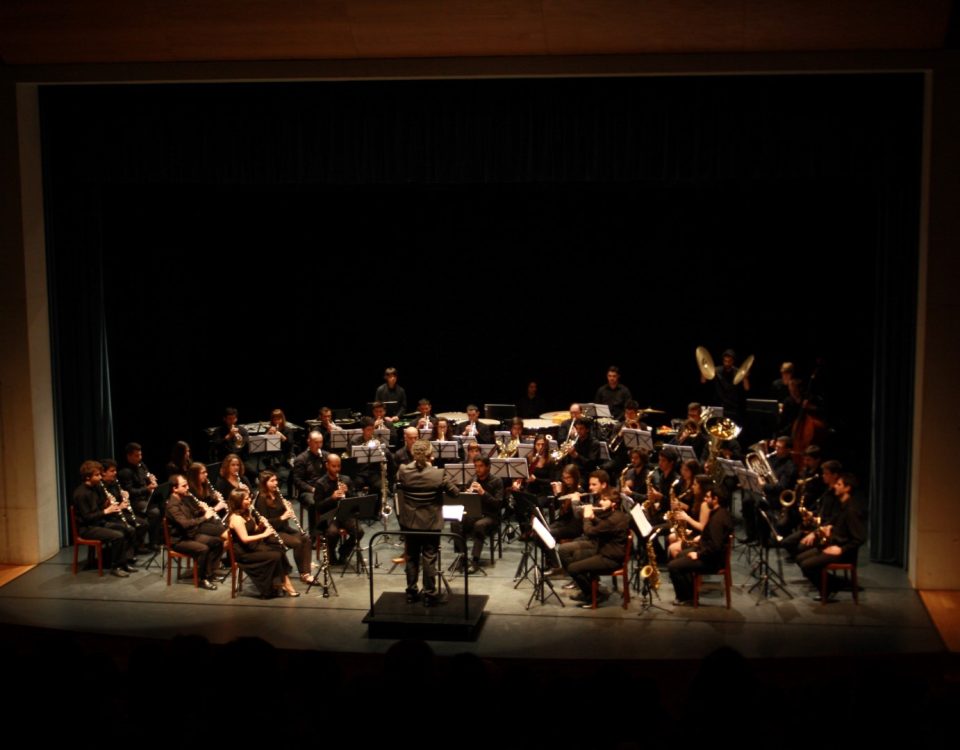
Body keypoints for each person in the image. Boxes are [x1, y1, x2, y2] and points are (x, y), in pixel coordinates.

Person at [396, 440, 460, 605]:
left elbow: (399, 483)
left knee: (411, 557)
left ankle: (411, 593)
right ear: (430, 455)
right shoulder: (438, 474)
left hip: (410, 522)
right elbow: (455, 493)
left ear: (413, 454)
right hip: (430, 523)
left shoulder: (403, 471)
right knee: (429, 557)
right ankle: (430, 595)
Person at [557, 478, 630, 608]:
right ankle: (589, 591)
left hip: (609, 558)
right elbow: (602, 526)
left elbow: (589, 532)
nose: (600, 502)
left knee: (573, 567)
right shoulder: (614, 514)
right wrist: (593, 517)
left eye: (604, 500)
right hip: (604, 550)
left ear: (613, 503)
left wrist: (586, 517)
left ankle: (594, 595)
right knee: (571, 556)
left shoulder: (613, 519)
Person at [795, 473, 866, 599]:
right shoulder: (843, 505)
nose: (835, 487)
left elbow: (860, 538)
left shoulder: (852, 510)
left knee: (807, 565)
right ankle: (832, 585)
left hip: (843, 553)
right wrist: (830, 527)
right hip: (834, 544)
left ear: (847, 488)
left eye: (839, 484)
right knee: (800, 558)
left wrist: (841, 549)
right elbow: (841, 526)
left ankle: (831, 587)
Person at [667, 485, 733, 605]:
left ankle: (687, 598)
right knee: (680, 555)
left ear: (715, 499)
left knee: (673, 566)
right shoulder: (721, 513)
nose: (705, 499)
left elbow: (715, 547)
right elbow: (714, 539)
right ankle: (690, 593)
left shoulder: (717, 520)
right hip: (709, 554)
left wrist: (698, 554)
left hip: (711, 561)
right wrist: (700, 540)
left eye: (708, 497)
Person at [226, 489, 298, 598]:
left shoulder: (246, 513)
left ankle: (279, 583)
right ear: (238, 501)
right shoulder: (236, 519)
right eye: (246, 499)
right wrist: (265, 534)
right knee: (275, 555)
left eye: (249, 497)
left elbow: (254, 529)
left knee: (279, 549)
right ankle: (279, 585)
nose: (250, 500)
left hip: (253, 547)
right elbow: (245, 539)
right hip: (244, 553)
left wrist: (261, 525)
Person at [72, 460, 137, 577]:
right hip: (87, 528)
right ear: (87, 477)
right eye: (97, 475)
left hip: (99, 523)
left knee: (128, 529)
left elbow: (100, 505)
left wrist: (108, 503)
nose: (100, 477)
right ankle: (115, 566)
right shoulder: (81, 494)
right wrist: (106, 511)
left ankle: (124, 562)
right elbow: (87, 517)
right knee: (118, 536)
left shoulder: (96, 488)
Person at [164, 474, 225, 590]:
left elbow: (192, 515)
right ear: (174, 489)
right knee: (203, 549)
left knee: (217, 542)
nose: (187, 488)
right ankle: (202, 579)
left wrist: (202, 510)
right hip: (180, 540)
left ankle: (209, 572)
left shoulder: (184, 499)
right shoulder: (172, 506)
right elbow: (185, 524)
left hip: (190, 535)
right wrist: (205, 517)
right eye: (184, 485)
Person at [255, 470, 312, 584]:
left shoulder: (277, 494)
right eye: (272, 481)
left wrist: (287, 507)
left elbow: (282, 512)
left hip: (283, 529)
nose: (276, 483)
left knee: (306, 538)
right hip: (270, 533)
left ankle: (306, 571)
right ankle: (303, 573)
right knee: (297, 542)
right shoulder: (261, 499)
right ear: (264, 483)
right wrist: (282, 517)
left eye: (276, 480)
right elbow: (265, 523)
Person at [451, 456, 503, 573]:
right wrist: (467, 494)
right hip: (474, 514)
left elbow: (498, 504)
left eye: (481, 466)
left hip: (491, 516)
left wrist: (483, 493)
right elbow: (465, 504)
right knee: (455, 522)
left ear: (488, 467)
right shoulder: (472, 480)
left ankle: (475, 560)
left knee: (479, 525)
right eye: (476, 466)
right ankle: (463, 556)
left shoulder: (497, 481)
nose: (477, 469)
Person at [314, 453, 362, 564]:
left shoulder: (346, 479)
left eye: (338, 466)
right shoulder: (320, 483)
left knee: (359, 531)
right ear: (327, 465)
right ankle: (331, 554)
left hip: (345, 514)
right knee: (332, 532)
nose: (336, 469)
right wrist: (332, 498)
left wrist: (347, 492)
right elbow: (318, 507)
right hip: (329, 516)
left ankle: (344, 551)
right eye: (333, 466)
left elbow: (355, 500)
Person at [99, 458, 149, 553]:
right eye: (112, 471)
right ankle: (126, 554)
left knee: (143, 524)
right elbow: (103, 507)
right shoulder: (100, 487)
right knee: (129, 529)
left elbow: (118, 498)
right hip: (108, 517)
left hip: (118, 514)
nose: (115, 473)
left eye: (115, 470)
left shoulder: (114, 483)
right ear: (103, 473)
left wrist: (124, 496)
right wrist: (119, 506)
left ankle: (134, 549)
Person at [117, 442, 161, 547]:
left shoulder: (141, 465)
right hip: (135, 501)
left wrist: (151, 478)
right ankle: (152, 542)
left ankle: (162, 539)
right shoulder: (125, 472)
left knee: (163, 504)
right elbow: (130, 492)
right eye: (137, 456)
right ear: (129, 456)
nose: (140, 458)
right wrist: (147, 488)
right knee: (154, 512)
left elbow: (147, 476)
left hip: (146, 497)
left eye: (140, 455)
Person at [291, 430, 330, 530]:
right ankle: (315, 534)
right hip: (307, 492)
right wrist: (312, 489)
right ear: (309, 442)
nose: (319, 445)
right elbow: (297, 480)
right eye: (316, 442)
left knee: (341, 497)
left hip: (324, 488)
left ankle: (332, 529)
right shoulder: (301, 459)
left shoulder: (326, 456)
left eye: (320, 442)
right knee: (314, 503)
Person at [701, 349, 750, 423]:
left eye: (729, 361)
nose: (726, 363)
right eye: (725, 361)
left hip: (732, 407)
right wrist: (703, 371)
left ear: (733, 361)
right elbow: (703, 381)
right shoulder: (716, 370)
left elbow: (747, 388)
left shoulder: (738, 372)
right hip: (717, 405)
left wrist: (745, 378)